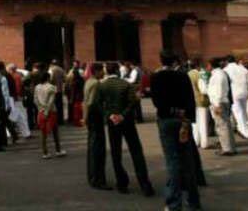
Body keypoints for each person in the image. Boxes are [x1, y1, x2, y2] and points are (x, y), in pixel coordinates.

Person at [94, 62, 154, 196]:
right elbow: (133, 102)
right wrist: (122, 115)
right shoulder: (125, 84)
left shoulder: (102, 86)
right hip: (127, 122)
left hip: (112, 123)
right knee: (136, 151)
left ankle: (122, 183)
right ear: (117, 70)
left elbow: (98, 104)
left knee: (116, 153)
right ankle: (145, 184)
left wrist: (109, 115)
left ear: (107, 71)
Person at [151, 51, 201, 211]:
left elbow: (157, 102)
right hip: (183, 121)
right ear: (175, 62)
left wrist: (171, 111)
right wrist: (189, 118)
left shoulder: (156, 77)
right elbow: (190, 100)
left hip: (166, 120)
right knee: (187, 161)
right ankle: (193, 202)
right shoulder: (182, 76)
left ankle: (174, 203)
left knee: (172, 161)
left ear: (161, 61)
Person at [83, 62, 111, 190]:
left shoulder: (89, 82)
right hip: (95, 118)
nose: (104, 72)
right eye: (102, 70)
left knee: (92, 148)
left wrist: (85, 118)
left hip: (91, 118)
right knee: (97, 149)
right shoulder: (96, 84)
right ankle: (98, 179)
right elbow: (92, 103)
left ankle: (93, 177)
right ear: (97, 71)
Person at [204, 58, 237, 156]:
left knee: (222, 126)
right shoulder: (219, 74)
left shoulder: (218, 75)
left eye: (208, 65)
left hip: (219, 102)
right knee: (224, 125)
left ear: (211, 65)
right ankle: (229, 147)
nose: (207, 67)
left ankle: (227, 148)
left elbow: (218, 90)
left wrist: (217, 104)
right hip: (220, 102)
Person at [34, 72, 66, 159]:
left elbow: (35, 100)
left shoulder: (37, 87)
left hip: (41, 111)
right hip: (51, 111)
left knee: (43, 133)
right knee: (55, 132)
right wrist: (47, 112)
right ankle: (58, 150)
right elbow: (51, 102)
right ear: (48, 78)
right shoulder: (51, 87)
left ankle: (45, 152)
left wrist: (41, 109)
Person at [223, 55, 248, 139]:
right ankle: (242, 128)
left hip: (234, 93)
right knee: (243, 111)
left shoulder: (226, 70)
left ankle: (245, 132)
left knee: (239, 113)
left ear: (226, 62)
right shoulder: (242, 68)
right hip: (244, 91)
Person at [189, 60, 210, 149]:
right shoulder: (199, 75)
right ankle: (204, 143)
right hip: (201, 101)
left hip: (191, 101)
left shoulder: (188, 74)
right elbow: (203, 90)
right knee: (203, 123)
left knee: (195, 123)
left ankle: (195, 141)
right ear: (198, 66)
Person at [7, 64, 31, 139]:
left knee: (19, 116)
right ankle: (25, 132)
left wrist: (16, 97)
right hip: (17, 98)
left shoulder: (14, 77)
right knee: (20, 116)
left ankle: (11, 132)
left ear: (11, 70)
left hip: (15, 98)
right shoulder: (17, 76)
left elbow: (17, 88)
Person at [48, 60, 66, 125]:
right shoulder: (61, 69)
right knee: (60, 106)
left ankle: (54, 121)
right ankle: (60, 120)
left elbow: (50, 79)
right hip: (60, 90)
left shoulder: (51, 69)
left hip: (53, 90)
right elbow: (64, 79)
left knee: (53, 106)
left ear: (51, 64)